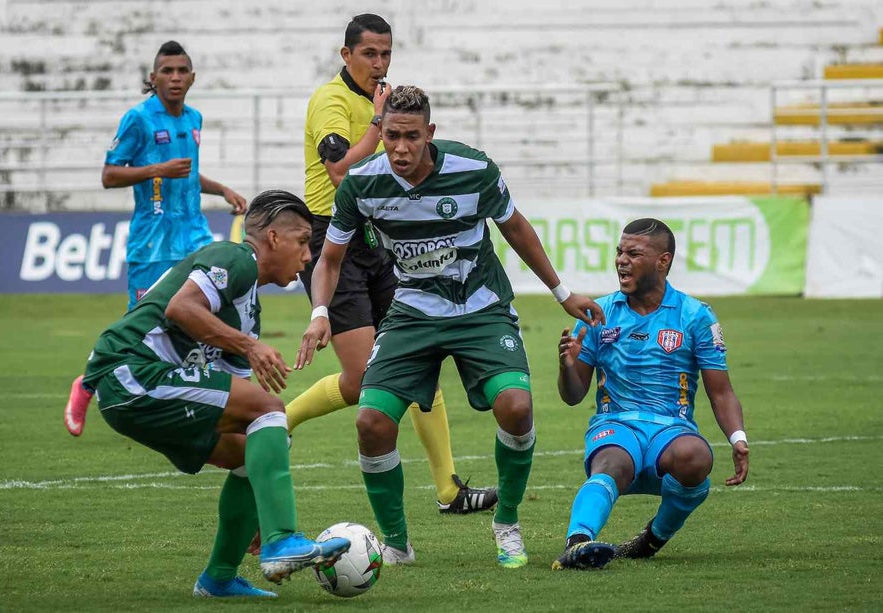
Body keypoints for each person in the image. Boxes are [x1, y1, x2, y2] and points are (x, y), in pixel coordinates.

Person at [296, 85, 606, 568]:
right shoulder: (361, 183)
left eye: (411, 137)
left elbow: (515, 226)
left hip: (480, 308)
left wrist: (562, 292)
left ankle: (507, 523)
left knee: (517, 406)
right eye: (391, 136)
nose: (400, 148)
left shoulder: (474, 169)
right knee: (371, 422)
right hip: (412, 311)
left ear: (430, 134)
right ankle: (396, 544)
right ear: (382, 132)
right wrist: (320, 313)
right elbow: (330, 259)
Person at [81, 190, 351, 597]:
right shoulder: (235, 257)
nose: (307, 256)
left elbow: (241, 406)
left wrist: (258, 504)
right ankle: (282, 540)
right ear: (273, 238)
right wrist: (250, 347)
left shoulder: (249, 308)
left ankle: (219, 578)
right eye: (301, 242)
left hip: (143, 387)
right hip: (130, 371)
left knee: (255, 446)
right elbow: (181, 308)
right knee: (270, 409)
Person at [289, 13, 496, 515]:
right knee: (364, 380)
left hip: (380, 239)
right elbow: (341, 174)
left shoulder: (385, 103)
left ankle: (449, 490)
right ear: (346, 55)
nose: (379, 63)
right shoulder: (332, 101)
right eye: (369, 54)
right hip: (332, 241)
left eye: (386, 53)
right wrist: (377, 123)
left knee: (421, 360)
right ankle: (280, 419)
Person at [64, 40, 247, 437]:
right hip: (153, 242)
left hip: (194, 235)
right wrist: (156, 170)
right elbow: (109, 175)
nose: (175, 78)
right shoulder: (139, 119)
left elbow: (188, 172)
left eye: (182, 71)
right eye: (167, 71)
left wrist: (222, 189)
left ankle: (206, 391)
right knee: (139, 325)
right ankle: (87, 384)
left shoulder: (194, 118)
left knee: (212, 307)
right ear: (153, 78)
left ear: (192, 78)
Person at [551, 218, 750, 571]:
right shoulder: (597, 314)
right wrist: (567, 366)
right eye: (619, 252)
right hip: (616, 426)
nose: (621, 261)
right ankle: (577, 543)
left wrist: (737, 438)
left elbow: (721, 391)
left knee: (696, 457)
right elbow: (573, 395)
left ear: (663, 260)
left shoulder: (696, 316)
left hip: (671, 432)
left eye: (633, 253)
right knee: (611, 463)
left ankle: (651, 539)